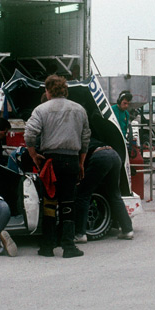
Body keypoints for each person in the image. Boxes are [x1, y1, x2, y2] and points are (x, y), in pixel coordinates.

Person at [24, 75, 91, 258]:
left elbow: (29, 134)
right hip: (72, 160)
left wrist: (33, 155)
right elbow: (85, 140)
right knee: (69, 202)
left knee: (49, 203)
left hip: (50, 162)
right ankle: (69, 246)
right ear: (65, 90)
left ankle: (47, 246)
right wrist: (81, 163)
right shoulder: (79, 110)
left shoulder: (41, 110)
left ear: (47, 91)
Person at [74, 136, 134, 242]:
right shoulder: (88, 136)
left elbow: (80, 165)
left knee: (83, 194)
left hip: (100, 157)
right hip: (114, 155)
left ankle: (80, 234)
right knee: (115, 194)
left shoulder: (74, 141)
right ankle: (127, 230)